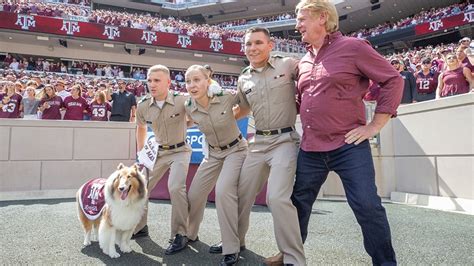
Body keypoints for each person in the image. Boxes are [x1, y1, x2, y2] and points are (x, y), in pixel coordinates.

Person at [289, 1, 403, 265]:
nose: (297, 26)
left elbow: (392, 80)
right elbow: (299, 101)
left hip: (348, 146)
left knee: (367, 206)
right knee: (297, 205)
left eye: (302, 19)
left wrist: (375, 126)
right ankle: (291, 256)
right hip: (310, 148)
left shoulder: (353, 47)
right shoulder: (303, 61)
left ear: (322, 17)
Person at [231, 27, 306, 266]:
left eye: (258, 43)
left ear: (270, 45)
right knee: (241, 194)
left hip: (284, 141)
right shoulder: (243, 77)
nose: (252, 48)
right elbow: (242, 109)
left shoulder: (288, 65)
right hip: (258, 142)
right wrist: (215, 115)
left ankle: (293, 259)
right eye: (248, 44)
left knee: (277, 198)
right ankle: (235, 242)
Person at [184, 65, 247, 266]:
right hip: (212, 154)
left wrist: (231, 116)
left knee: (223, 192)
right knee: (194, 194)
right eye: (188, 81)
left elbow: (247, 104)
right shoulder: (188, 106)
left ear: (207, 80)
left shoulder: (225, 97)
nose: (192, 85)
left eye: (197, 80)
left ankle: (231, 247)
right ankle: (189, 234)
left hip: (236, 150)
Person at [134, 64, 192, 255]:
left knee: (175, 187)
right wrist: (141, 153)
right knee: (140, 186)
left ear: (168, 82)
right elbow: (141, 128)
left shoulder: (182, 100)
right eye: (149, 80)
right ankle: (139, 227)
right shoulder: (142, 104)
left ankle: (180, 234)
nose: (152, 84)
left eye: (157, 80)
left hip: (180, 150)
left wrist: (187, 124)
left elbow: (196, 118)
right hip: (157, 152)